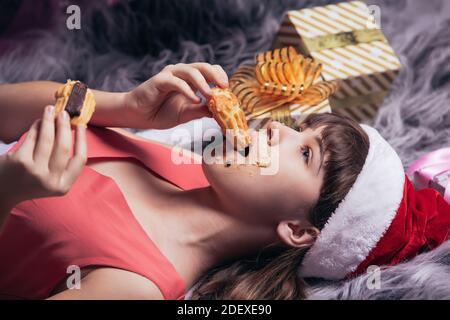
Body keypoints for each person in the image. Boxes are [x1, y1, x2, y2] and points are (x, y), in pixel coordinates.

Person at [0, 63, 449, 300]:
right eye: (302, 129)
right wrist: (125, 107)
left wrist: (8, 191)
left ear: (297, 230)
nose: (277, 129)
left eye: (306, 153)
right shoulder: (184, 161)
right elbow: (6, 115)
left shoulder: (138, 284)